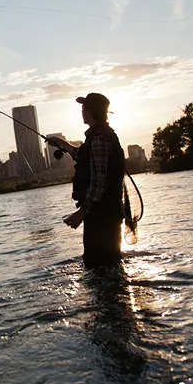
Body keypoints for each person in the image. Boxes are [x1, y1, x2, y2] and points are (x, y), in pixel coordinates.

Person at [46, 93, 125, 269]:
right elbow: (83, 157)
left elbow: (99, 181)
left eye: (83, 109)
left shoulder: (98, 139)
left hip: (102, 215)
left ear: (89, 112)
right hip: (104, 213)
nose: (82, 112)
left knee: (99, 264)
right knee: (106, 264)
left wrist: (82, 212)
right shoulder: (100, 136)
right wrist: (61, 143)